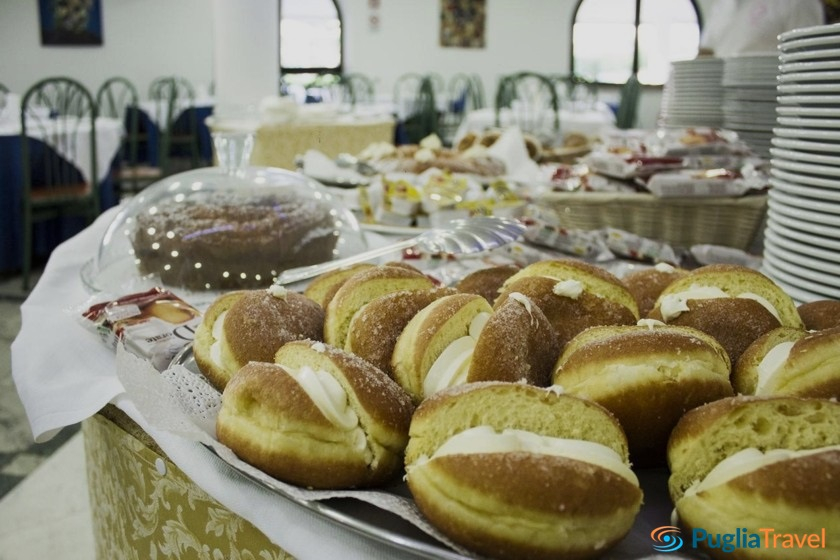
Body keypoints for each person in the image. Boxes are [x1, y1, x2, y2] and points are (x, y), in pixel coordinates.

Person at [699, 0, 825, 57]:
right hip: (726, 104)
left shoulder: (800, 2)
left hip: (774, 105)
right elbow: (706, 53)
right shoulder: (721, 5)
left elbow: (809, 62)